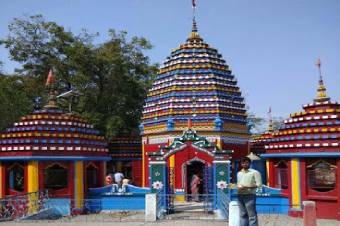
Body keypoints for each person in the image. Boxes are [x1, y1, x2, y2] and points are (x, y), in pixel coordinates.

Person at [237, 156, 262, 226]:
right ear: (241, 164)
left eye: (246, 163)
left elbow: (259, 185)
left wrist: (247, 187)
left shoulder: (255, 172)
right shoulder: (239, 173)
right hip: (240, 195)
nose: (244, 164)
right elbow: (239, 184)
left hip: (250, 195)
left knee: (252, 216)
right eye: (243, 163)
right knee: (242, 214)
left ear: (250, 163)